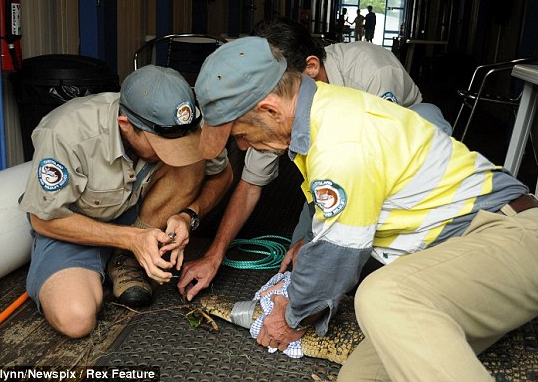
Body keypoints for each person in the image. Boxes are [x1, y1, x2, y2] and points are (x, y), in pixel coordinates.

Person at [194, 37, 538, 381]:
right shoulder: (325, 116)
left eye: (239, 135)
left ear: (270, 109)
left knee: (381, 295)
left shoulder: (341, 142)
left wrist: (291, 317)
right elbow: (330, 234)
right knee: (361, 377)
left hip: (516, 243)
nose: (242, 147)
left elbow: (337, 256)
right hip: (463, 257)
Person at [177, 17, 451, 303]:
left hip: (399, 155)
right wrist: (213, 255)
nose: (243, 145)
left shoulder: (372, 72)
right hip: (338, 167)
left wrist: (323, 254)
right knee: (300, 257)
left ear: (310, 68)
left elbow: (370, 175)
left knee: (339, 255)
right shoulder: (273, 109)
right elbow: (250, 184)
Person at [19, 65, 233, 338]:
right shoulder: (65, 132)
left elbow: (222, 174)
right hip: (74, 229)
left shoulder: (184, 122)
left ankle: (126, 259)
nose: (173, 154)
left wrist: (188, 216)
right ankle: (125, 252)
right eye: (162, 147)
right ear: (126, 125)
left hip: (141, 217)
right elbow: (43, 219)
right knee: (76, 320)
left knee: (192, 165)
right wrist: (129, 238)